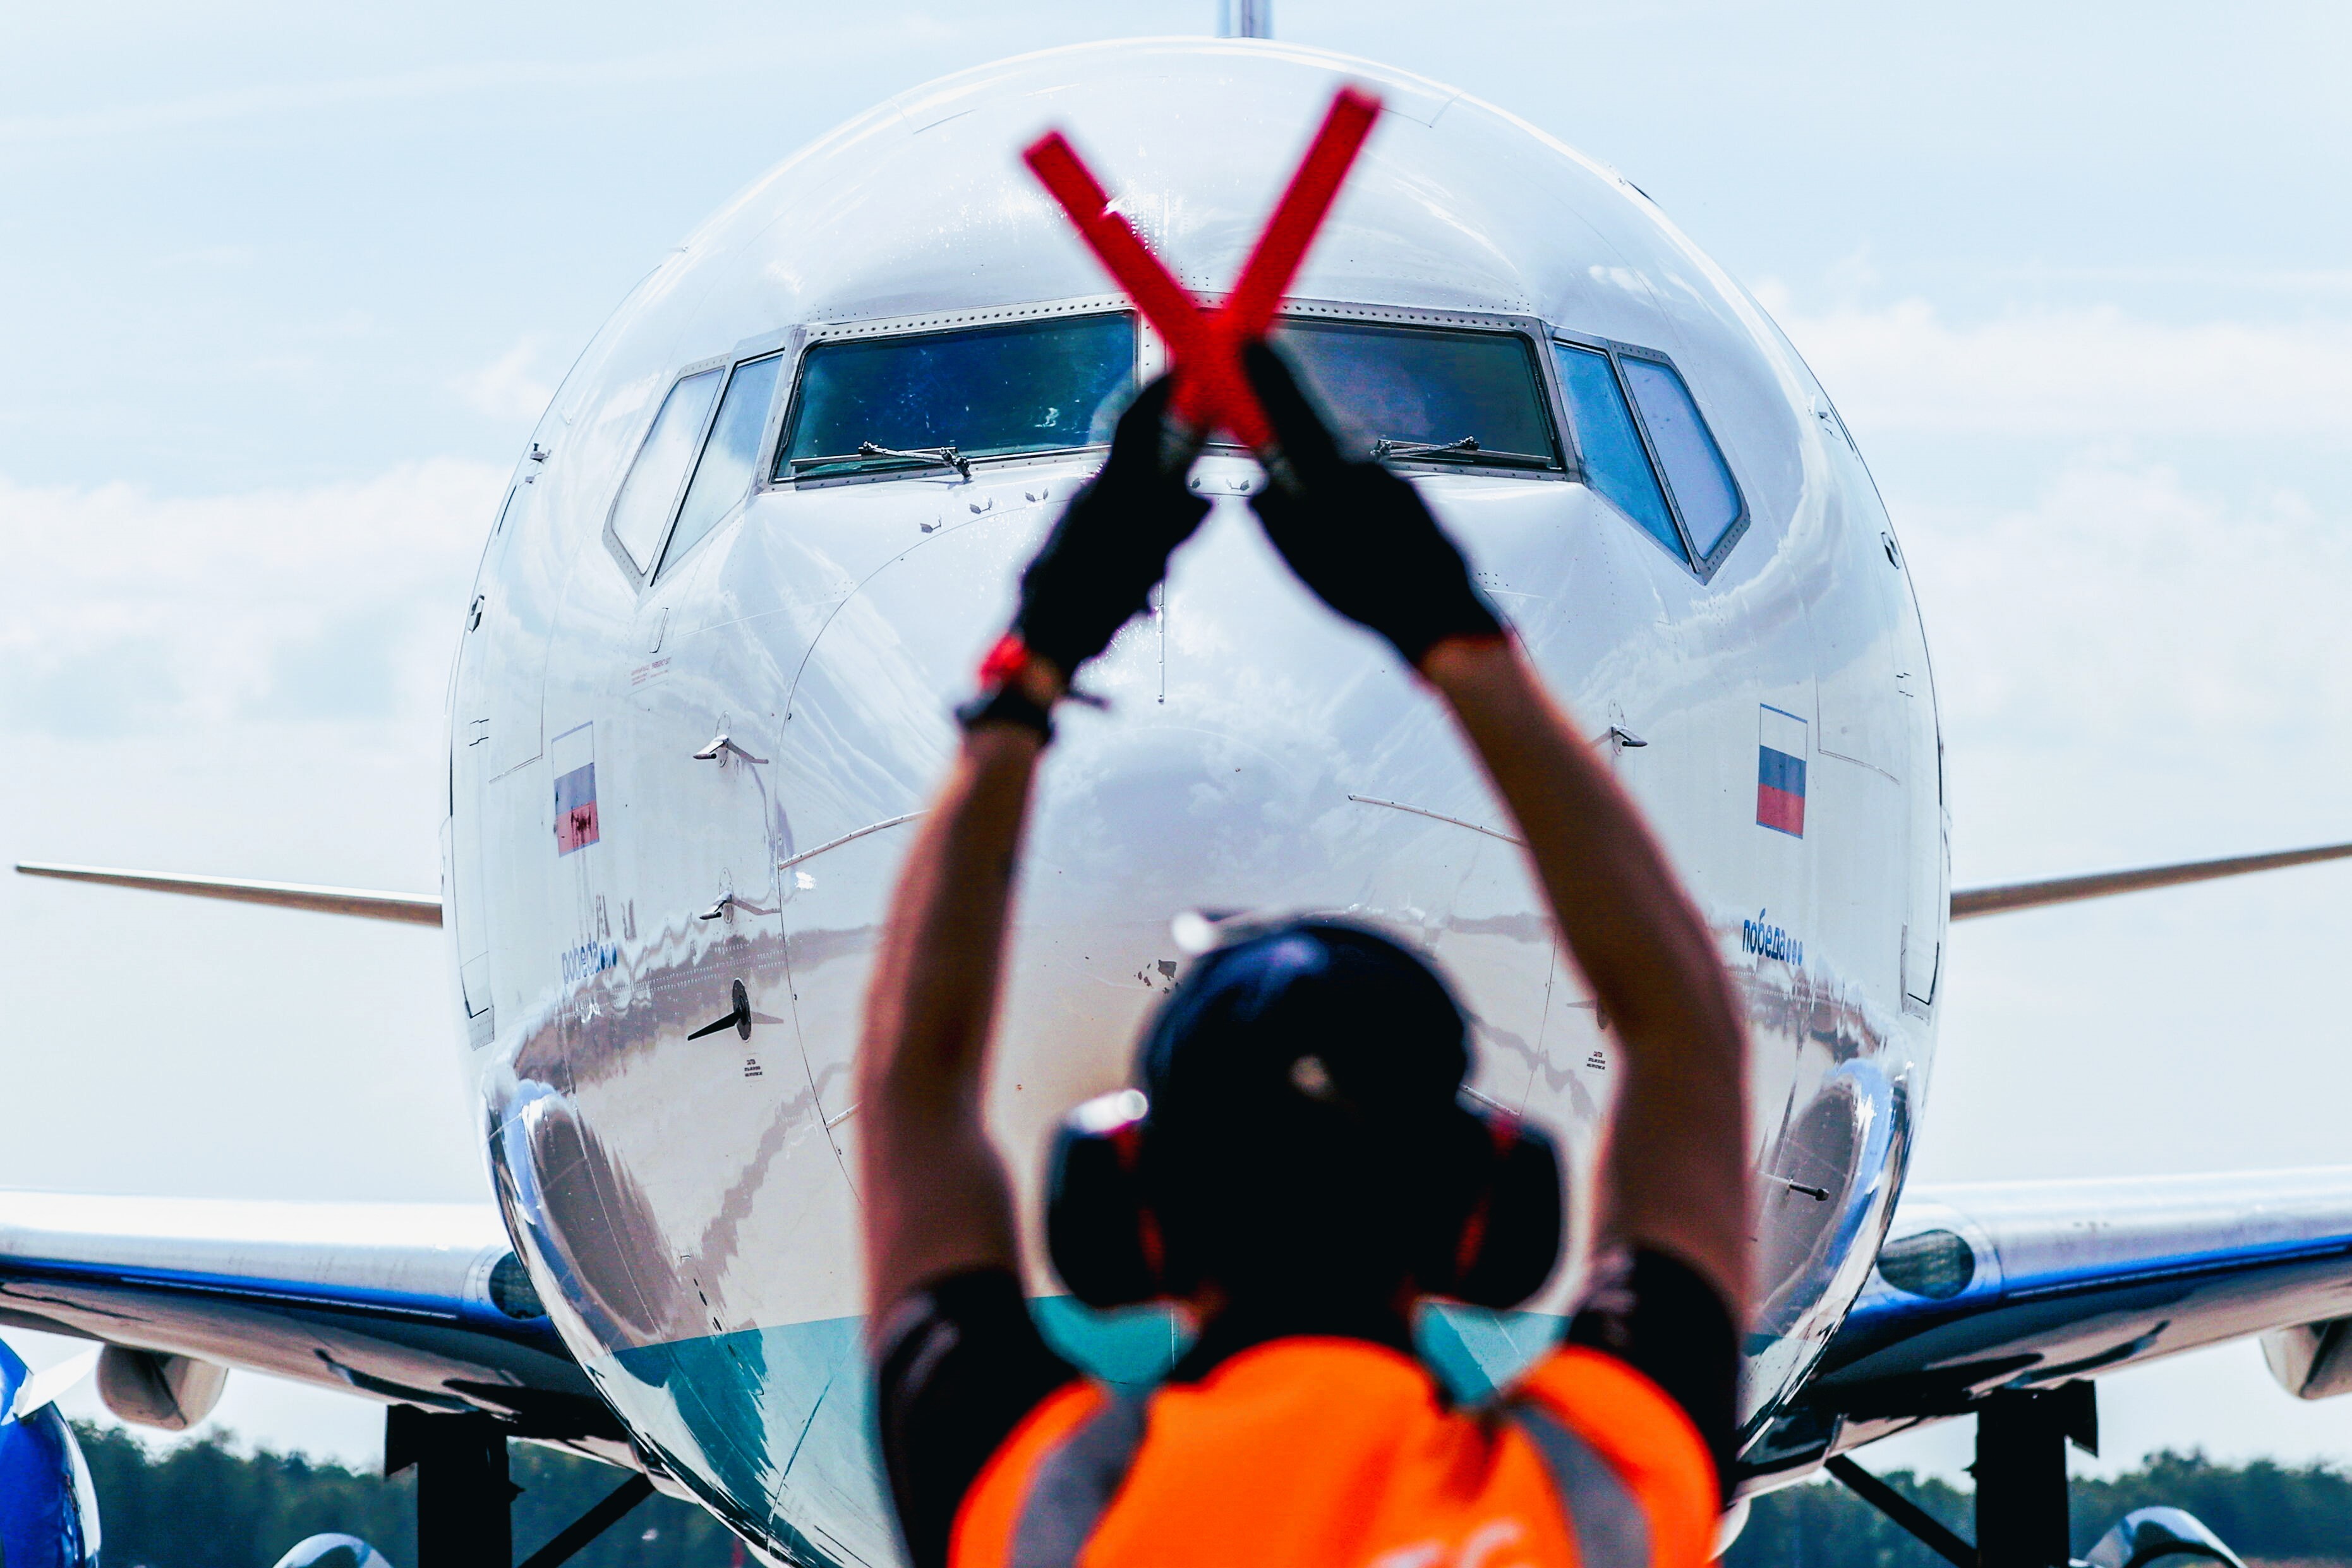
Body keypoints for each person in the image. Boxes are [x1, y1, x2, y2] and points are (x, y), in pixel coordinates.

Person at [855, 343, 1751, 1568]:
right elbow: (1688, 1037)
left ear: (1127, 1207)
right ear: (1480, 1210)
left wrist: (1031, 666)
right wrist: (1447, 626)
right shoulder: (1585, 1503)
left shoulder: (1047, 1512)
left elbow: (909, 1085)